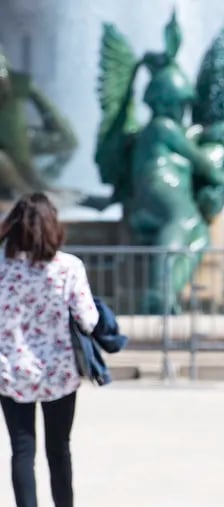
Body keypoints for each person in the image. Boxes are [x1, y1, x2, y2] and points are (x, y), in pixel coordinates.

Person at [0, 192, 98, 507]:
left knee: (22, 450)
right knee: (59, 449)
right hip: (59, 369)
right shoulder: (68, 267)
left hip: (10, 368)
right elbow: (88, 319)